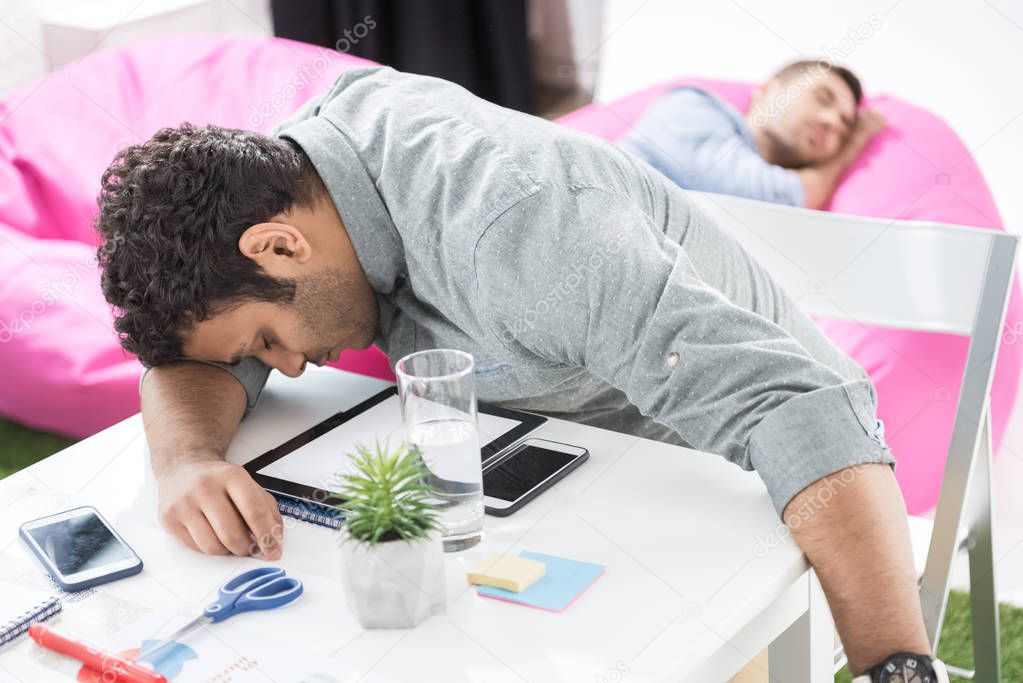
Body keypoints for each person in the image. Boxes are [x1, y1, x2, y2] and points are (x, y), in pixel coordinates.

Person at [94, 66, 946, 681]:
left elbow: (796, 409)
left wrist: (897, 670)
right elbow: (182, 361)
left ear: (279, 247)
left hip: (741, 497)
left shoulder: (521, 228)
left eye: (267, 337)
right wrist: (189, 459)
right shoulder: (299, 173)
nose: (280, 367)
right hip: (560, 482)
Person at [617, 60, 886, 209]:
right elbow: (769, 196)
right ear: (767, 90)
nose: (832, 123)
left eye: (845, 126)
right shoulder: (689, 105)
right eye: (822, 98)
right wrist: (852, 147)